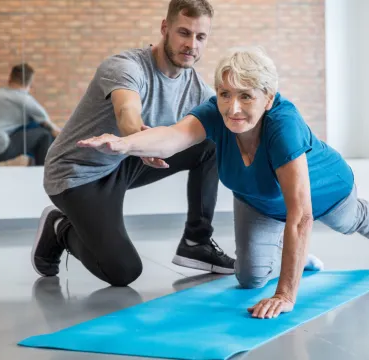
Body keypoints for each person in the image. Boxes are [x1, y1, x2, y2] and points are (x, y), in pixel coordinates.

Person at [78, 47, 369, 319]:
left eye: (246, 96)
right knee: (249, 279)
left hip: (325, 193)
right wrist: (126, 144)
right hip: (258, 199)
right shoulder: (214, 113)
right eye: (225, 94)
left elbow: (301, 215)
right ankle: (300, 257)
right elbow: (173, 137)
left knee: (348, 223)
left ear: (268, 98)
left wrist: (286, 294)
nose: (233, 108)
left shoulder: (283, 126)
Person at [31, 0, 235, 287]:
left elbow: (229, 123)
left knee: (212, 142)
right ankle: (59, 227)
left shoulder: (195, 87)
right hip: (77, 174)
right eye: (184, 33)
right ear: (165, 28)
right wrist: (133, 141)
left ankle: (196, 241)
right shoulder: (125, 67)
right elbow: (128, 113)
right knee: (123, 271)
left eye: (200, 37)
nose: (192, 44)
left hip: (124, 163)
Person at [0, 63, 61, 166]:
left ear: (10, 78)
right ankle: (41, 176)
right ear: (29, 83)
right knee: (44, 135)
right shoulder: (24, 98)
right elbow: (52, 129)